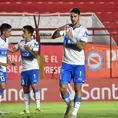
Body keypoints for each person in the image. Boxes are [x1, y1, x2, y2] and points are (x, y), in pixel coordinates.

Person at [52, 8, 88, 118]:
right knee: (62, 87)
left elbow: (81, 47)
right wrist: (59, 29)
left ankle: (74, 113)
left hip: (78, 64)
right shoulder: (67, 28)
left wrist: (72, 38)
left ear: (79, 16)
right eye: (71, 16)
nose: (73, 18)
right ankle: (69, 104)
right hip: (66, 63)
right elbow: (54, 36)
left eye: (75, 16)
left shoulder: (83, 30)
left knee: (78, 88)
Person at [8, 25, 40, 114]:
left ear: (29, 33)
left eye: (24, 32)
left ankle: (38, 107)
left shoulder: (34, 43)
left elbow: (36, 56)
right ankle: (27, 109)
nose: (23, 34)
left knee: (34, 86)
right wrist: (3, 46)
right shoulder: (21, 43)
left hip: (33, 68)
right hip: (24, 70)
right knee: (25, 89)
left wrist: (29, 50)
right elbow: (12, 50)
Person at [0, 23, 15, 115]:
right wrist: (2, 63)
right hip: (0, 67)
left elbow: (5, 53)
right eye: (9, 31)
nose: (11, 33)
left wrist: (9, 61)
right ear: (3, 31)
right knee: (3, 86)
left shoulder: (6, 40)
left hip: (3, 67)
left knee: (2, 87)